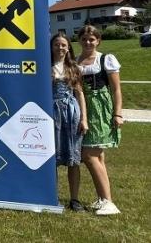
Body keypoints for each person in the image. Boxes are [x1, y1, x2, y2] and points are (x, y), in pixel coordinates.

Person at [76, 25, 123, 215]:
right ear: (79, 40)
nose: (88, 42)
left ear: (98, 41)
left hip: (101, 108)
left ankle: (109, 202)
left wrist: (118, 113)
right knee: (98, 156)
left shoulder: (106, 59)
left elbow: (116, 89)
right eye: (85, 39)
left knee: (88, 155)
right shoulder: (76, 61)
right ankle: (103, 198)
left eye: (92, 39)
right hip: (82, 107)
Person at [50, 32, 88, 212]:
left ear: (68, 47)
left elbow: (79, 93)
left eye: (63, 45)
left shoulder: (73, 67)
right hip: (52, 113)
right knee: (52, 158)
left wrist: (84, 119)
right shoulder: (45, 66)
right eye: (57, 44)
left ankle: (74, 199)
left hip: (71, 113)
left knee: (74, 159)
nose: (60, 48)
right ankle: (52, 196)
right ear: (51, 47)